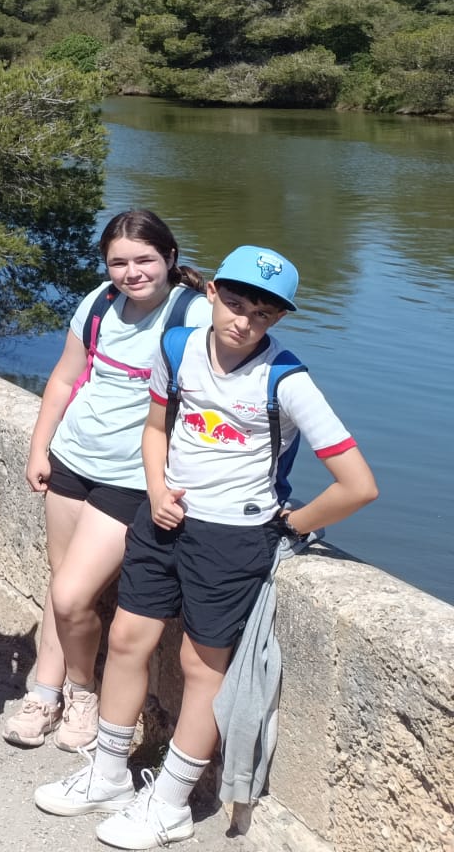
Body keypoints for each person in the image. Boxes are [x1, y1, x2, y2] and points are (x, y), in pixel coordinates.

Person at [36, 247, 376, 849]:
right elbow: (155, 428)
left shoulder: (286, 379)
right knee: (126, 640)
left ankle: (169, 802)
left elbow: (358, 485)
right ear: (213, 292)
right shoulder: (177, 347)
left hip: (233, 538)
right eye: (236, 304)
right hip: (164, 520)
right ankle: (109, 775)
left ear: (278, 319)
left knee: (201, 666)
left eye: (262, 314)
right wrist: (157, 487)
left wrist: (293, 523)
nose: (244, 322)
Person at [6, 211, 207, 751]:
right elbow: (65, 376)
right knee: (59, 583)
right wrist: (40, 446)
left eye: (144, 260)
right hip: (73, 457)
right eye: (119, 262)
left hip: (131, 476)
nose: (131, 273)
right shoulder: (99, 302)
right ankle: (44, 691)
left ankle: (83, 691)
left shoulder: (193, 315)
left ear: (170, 256)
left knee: (73, 595)